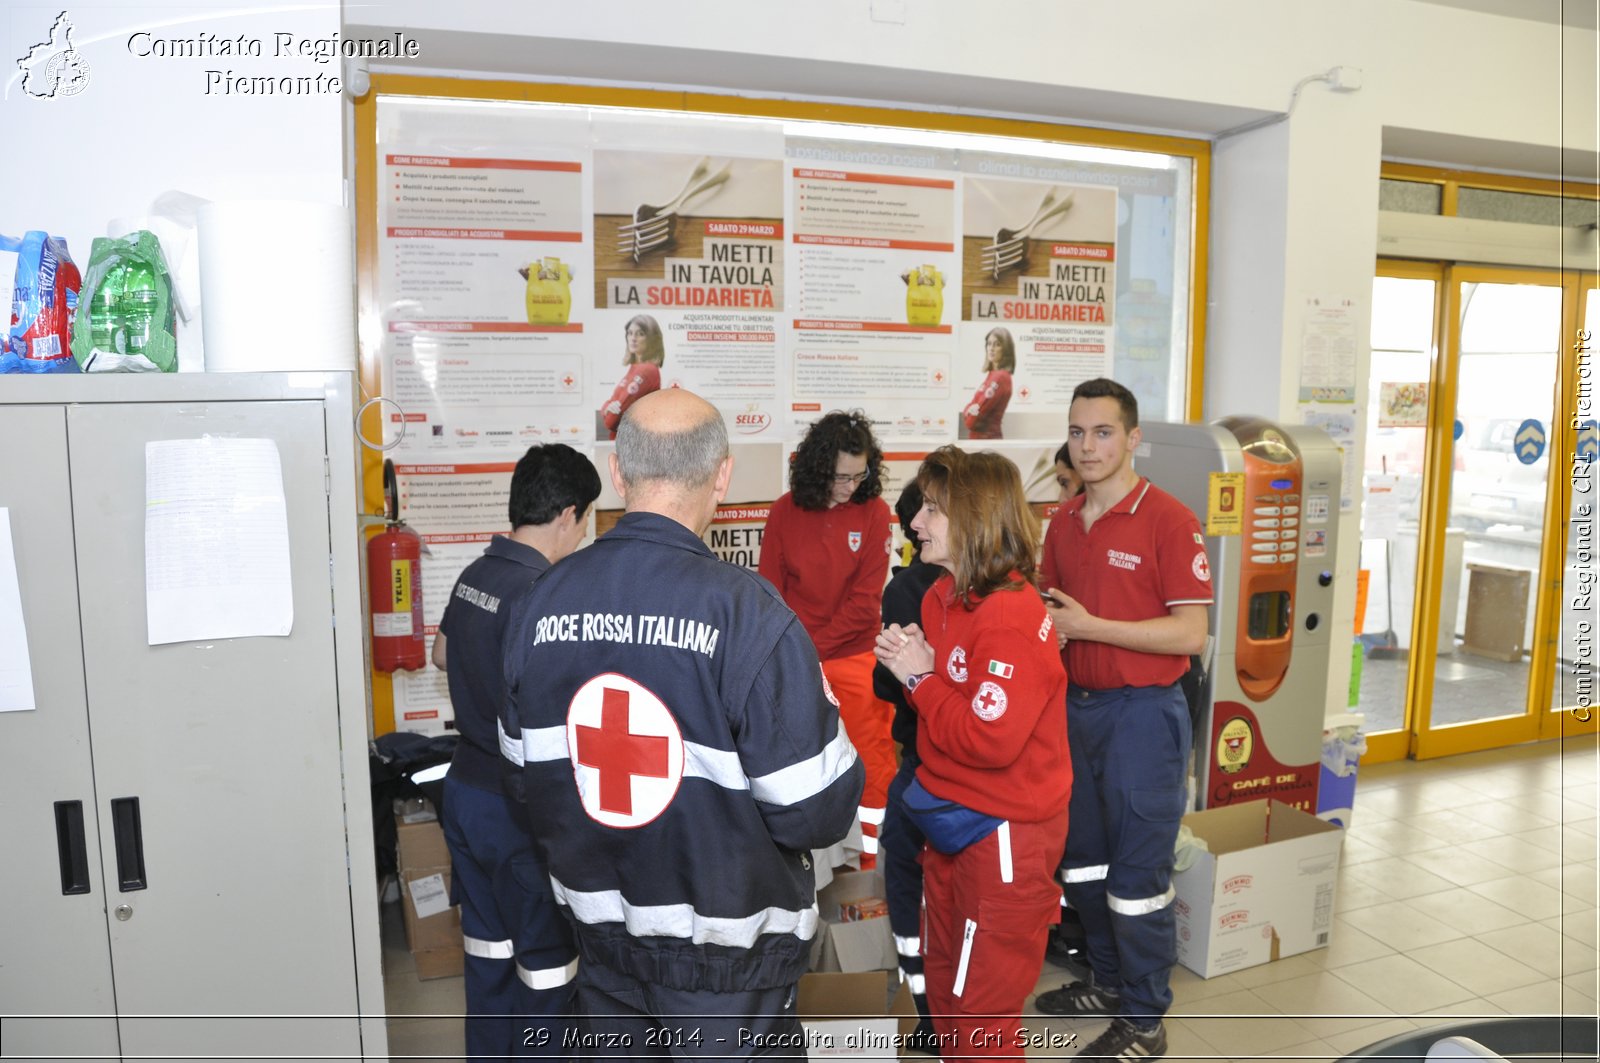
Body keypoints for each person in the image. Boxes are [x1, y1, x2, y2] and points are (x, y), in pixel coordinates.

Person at [499, 389, 864, 1057]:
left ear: (617, 473)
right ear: (722, 475)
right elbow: (814, 810)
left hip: (604, 948)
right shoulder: (748, 615)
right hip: (729, 971)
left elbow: (524, 777)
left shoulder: (538, 602)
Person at [1034, 378, 1212, 1062]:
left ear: (1134, 438)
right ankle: (1107, 981)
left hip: (1143, 718)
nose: (1088, 445)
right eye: (1078, 432)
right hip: (1074, 716)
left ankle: (1144, 1019)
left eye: (1103, 432)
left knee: (1136, 880)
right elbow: (1052, 620)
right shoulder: (1063, 521)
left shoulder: (1168, 519)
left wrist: (1089, 626)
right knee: (1082, 866)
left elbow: (1189, 634)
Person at [874, 446, 1070, 1060]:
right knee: (950, 994)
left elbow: (990, 738)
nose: (915, 523)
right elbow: (962, 699)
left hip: (1004, 835)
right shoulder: (943, 596)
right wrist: (922, 665)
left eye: (932, 509)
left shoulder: (1009, 616)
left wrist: (919, 679)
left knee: (982, 1019)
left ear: (976, 519)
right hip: (953, 820)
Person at [432, 443, 601, 1060]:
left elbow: (442, 655)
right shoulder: (543, 592)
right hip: (517, 810)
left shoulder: (476, 573)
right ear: (568, 514)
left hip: (466, 794)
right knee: (548, 972)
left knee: (488, 958)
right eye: (584, 522)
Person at [759, 410, 895, 867]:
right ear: (818, 468)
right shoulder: (785, 510)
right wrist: (799, 656)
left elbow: (864, 602)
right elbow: (771, 591)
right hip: (798, 658)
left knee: (872, 763)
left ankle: (873, 866)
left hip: (853, 657)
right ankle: (814, 866)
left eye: (859, 476)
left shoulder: (875, 513)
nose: (849, 487)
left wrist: (811, 650)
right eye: (840, 477)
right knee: (802, 763)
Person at [870, 483, 944, 1053]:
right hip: (943, 764)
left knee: (907, 871)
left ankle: (926, 1014)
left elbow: (888, 681)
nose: (919, 525)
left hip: (927, 762)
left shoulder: (909, 587)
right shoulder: (1001, 587)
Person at [599, 314, 664, 439]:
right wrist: (607, 407)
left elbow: (611, 421)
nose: (633, 338)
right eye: (630, 333)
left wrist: (608, 410)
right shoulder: (635, 367)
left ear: (652, 339)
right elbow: (611, 401)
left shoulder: (646, 370)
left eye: (640, 334)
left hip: (632, 445)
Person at [962, 327, 1015, 440]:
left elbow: (972, 422)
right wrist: (969, 409)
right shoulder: (992, 375)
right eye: (989, 344)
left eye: (997, 344)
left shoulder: (1000, 377)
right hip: (981, 442)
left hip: (986, 442)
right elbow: (970, 406)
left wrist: (969, 410)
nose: (991, 348)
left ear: (1005, 349)